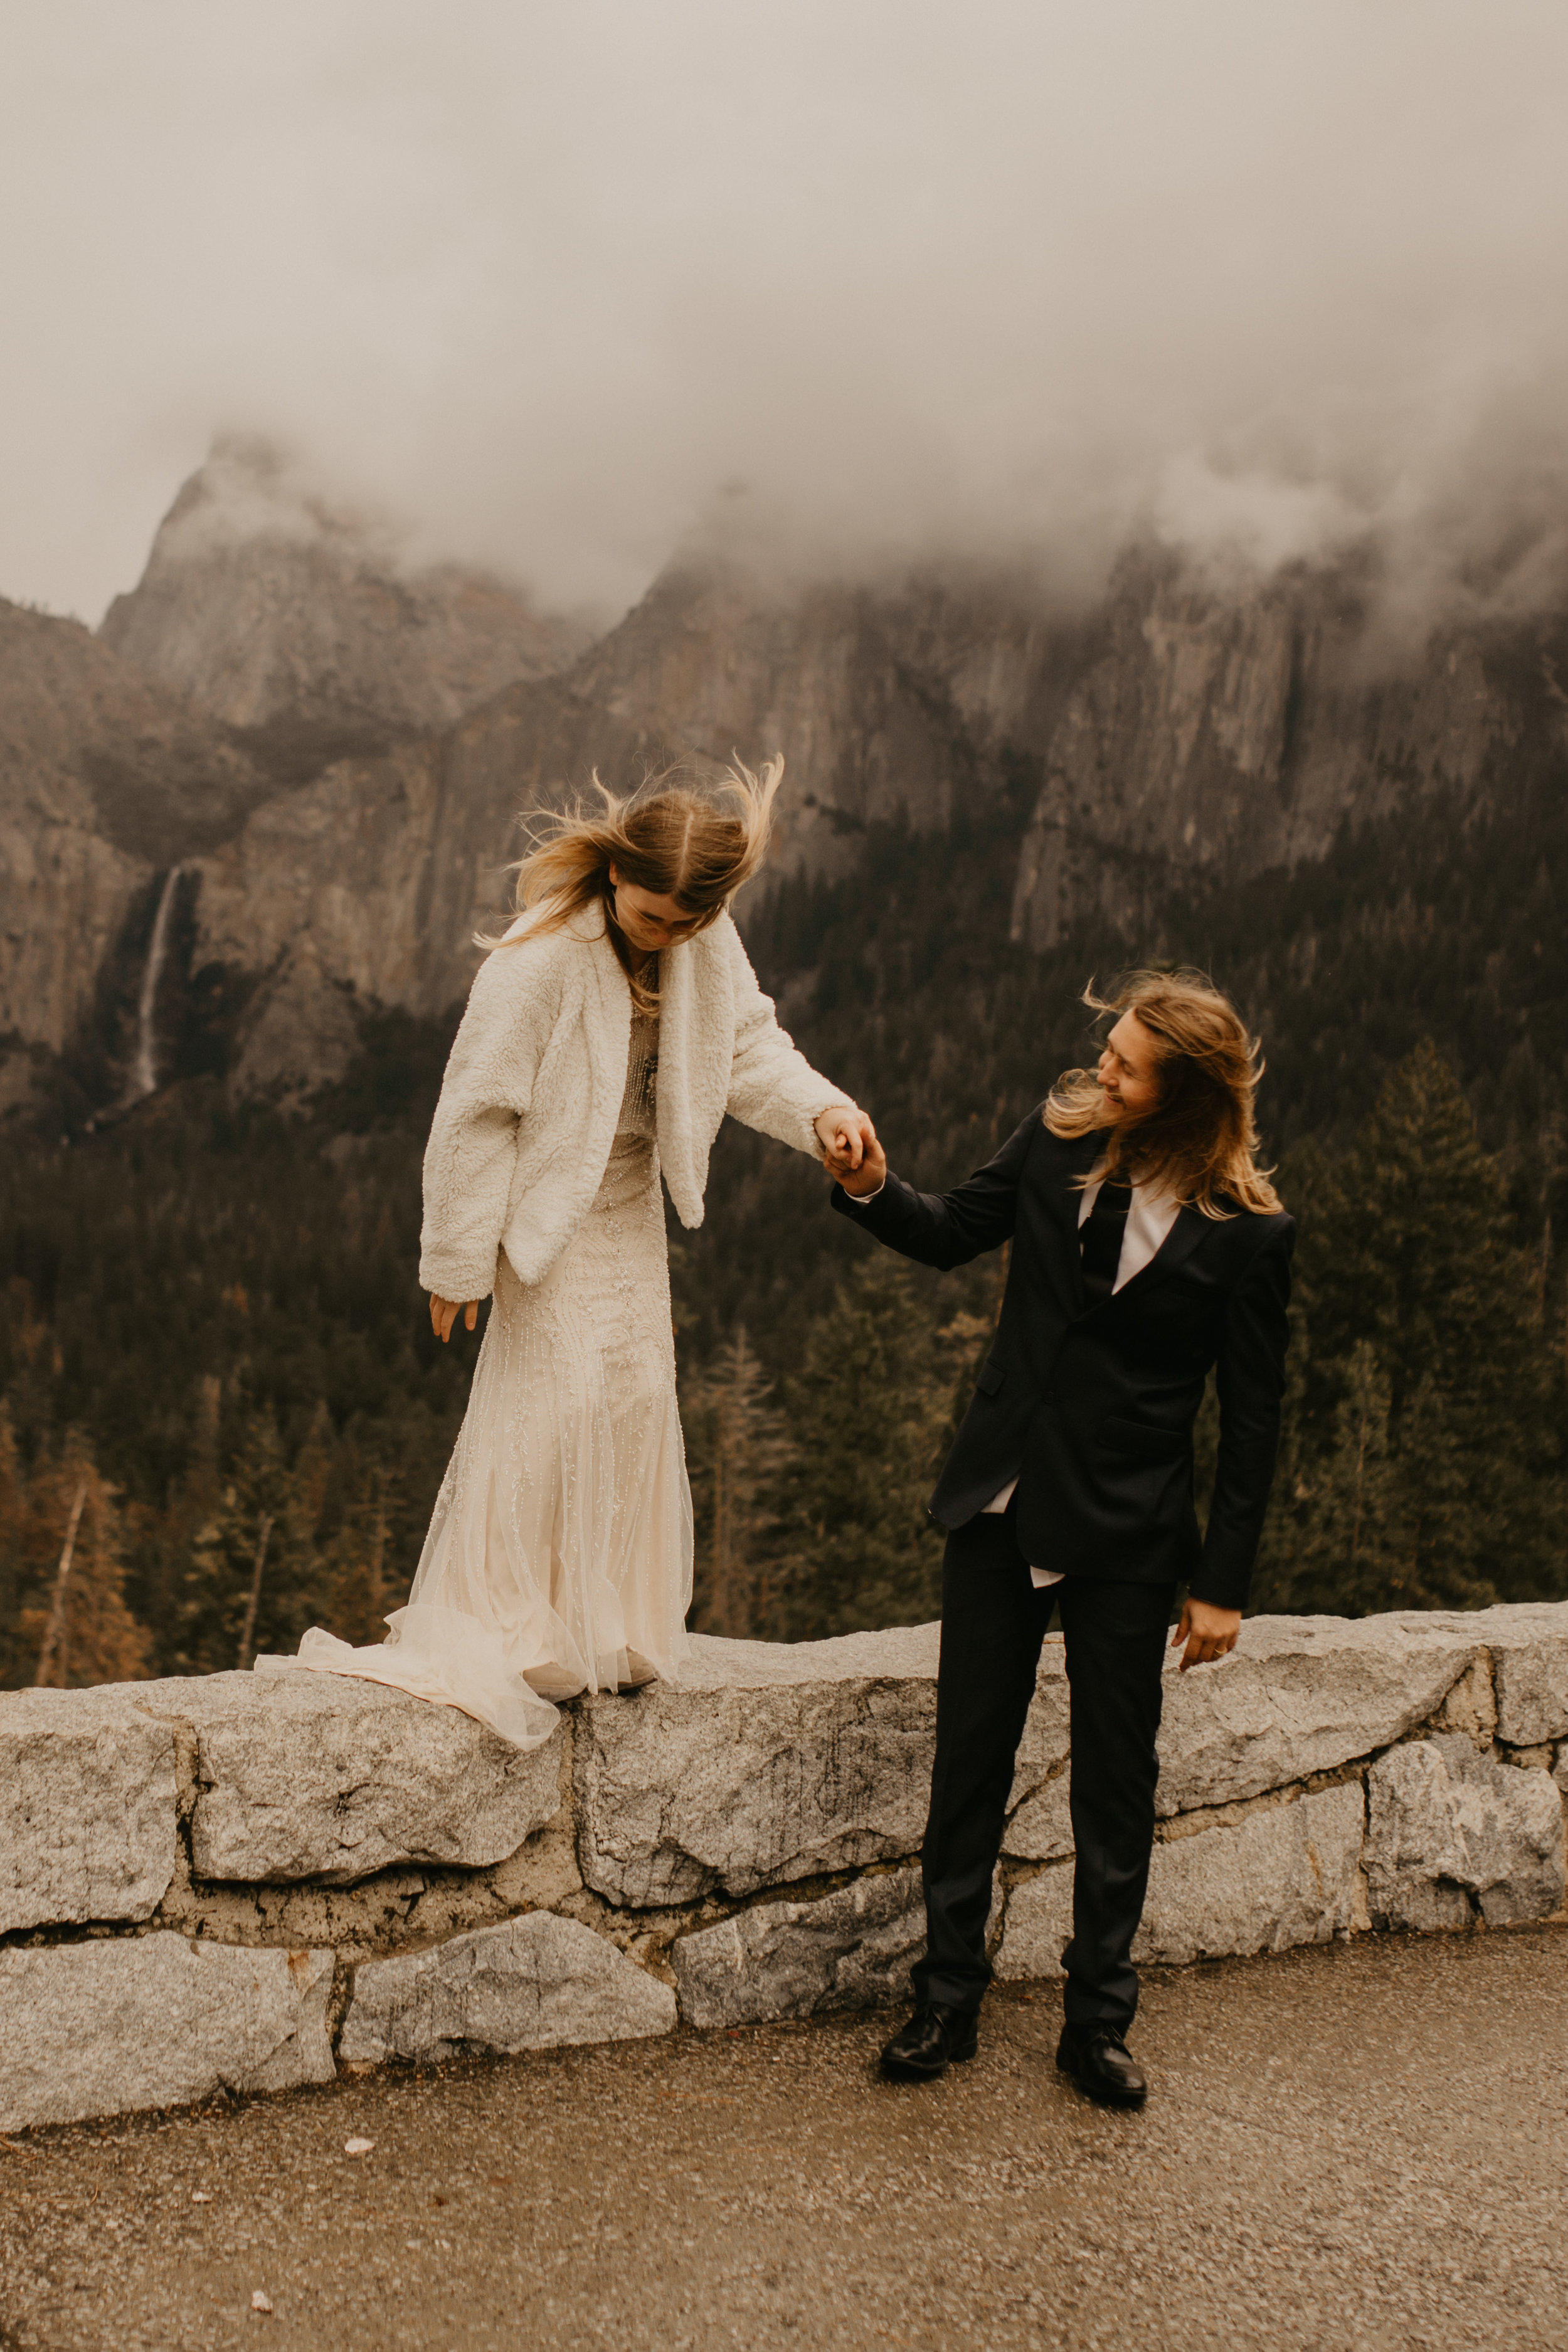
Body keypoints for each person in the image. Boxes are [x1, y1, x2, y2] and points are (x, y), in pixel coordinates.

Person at [258, 760, 871, 1746]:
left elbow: (747, 1047)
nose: (664, 934)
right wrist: (456, 1261)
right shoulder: (539, 956)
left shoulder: (707, 943)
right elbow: (475, 1110)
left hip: (630, 1204)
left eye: (683, 923)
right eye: (651, 915)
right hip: (547, 1212)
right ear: (617, 873)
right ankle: (511, 1625)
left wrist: (826, 1113)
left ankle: (604, 1627)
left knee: (631, 1395)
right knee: (554, 1406)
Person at [830, 970, 1293, 2106]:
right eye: (1110, 1049)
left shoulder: (1248, 1237)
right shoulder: (1055, 1137)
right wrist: (872, 1183)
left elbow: (1255, 1417)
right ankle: (946, 2000)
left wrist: (1220, 1582)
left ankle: (1098, 2023)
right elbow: (946, 1232)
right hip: (999, 1500)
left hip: (1132, 1531)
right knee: (968, 1761)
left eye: (1127, 1064)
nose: (1104, 1070)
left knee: (1115, 1783)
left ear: (1181, 1098)